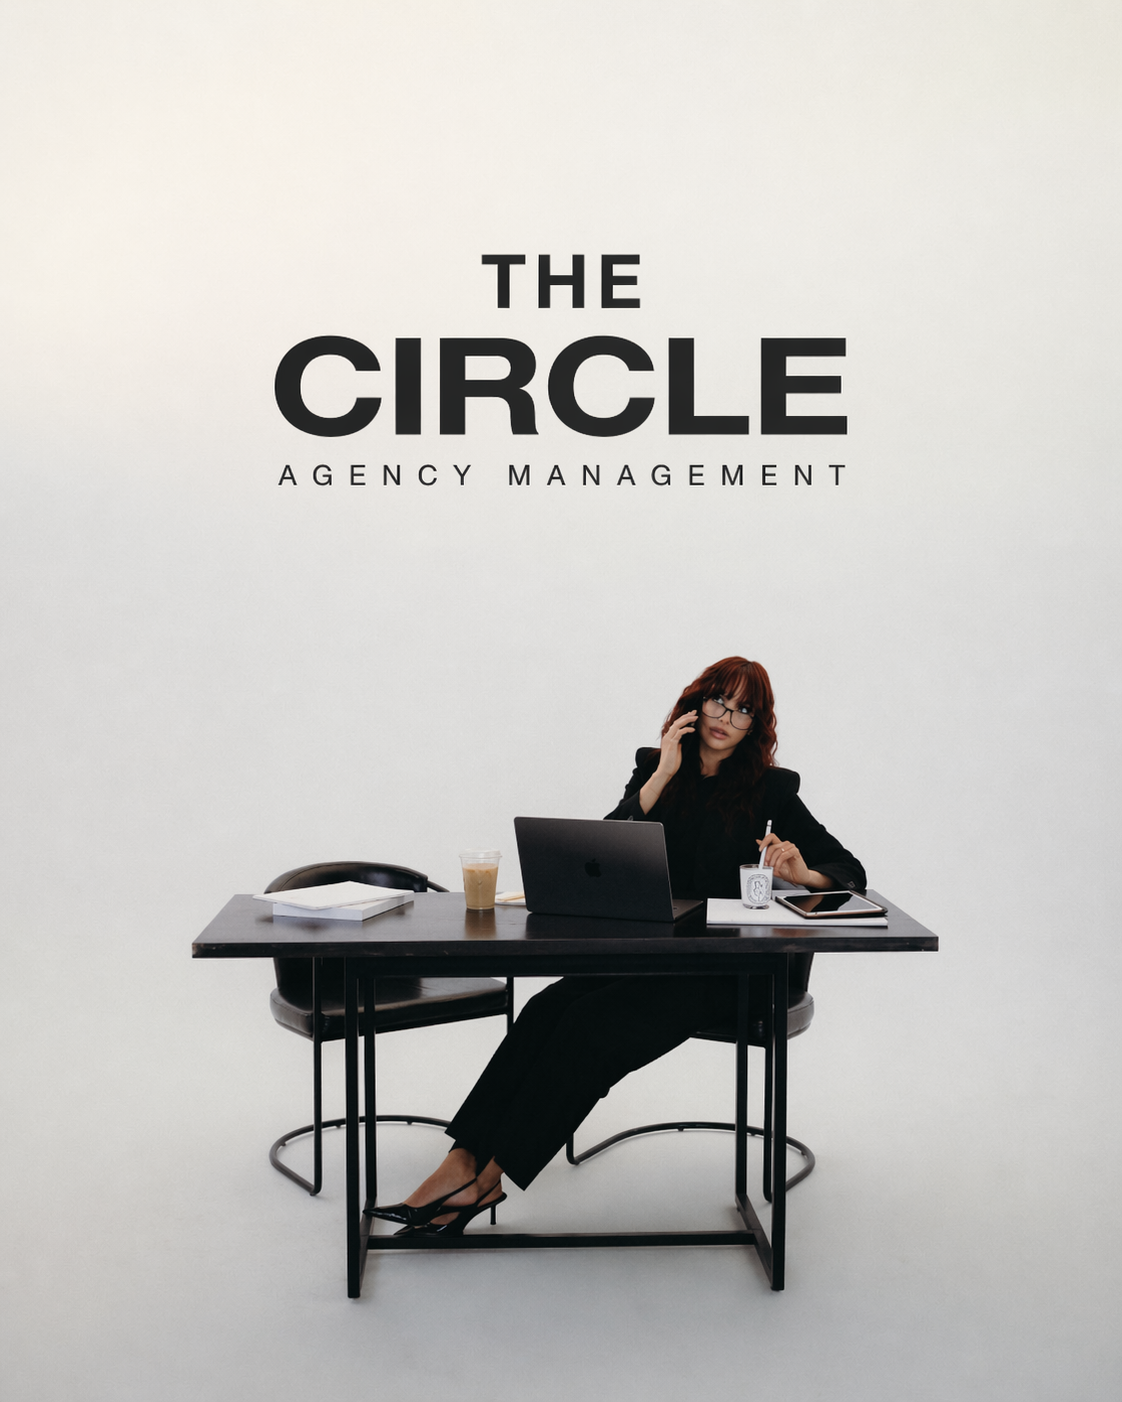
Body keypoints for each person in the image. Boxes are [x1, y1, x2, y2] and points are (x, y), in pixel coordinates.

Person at [371, 655, 865, 1236]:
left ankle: (487, 1180)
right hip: (651, 960)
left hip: (728, 972)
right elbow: (603, 853)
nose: (726, 718)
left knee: (590, 1025)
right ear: (696, 703)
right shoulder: (655, 769)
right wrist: (660, 775)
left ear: (756, 726)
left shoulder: (772, 791)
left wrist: (804, 874)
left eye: (743, 710)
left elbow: (850, 869)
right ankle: (459, 1162)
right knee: (547, 1008)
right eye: (718, 701)